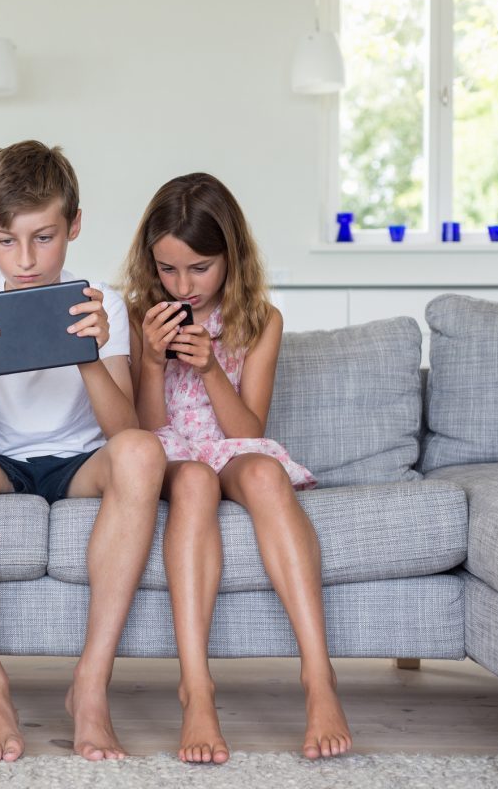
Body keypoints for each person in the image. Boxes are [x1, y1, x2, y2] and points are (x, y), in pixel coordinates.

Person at [0, 140, 167, 763]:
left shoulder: (101, 302)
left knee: (141, 453)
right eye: (7, 241)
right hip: (0, 463)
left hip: (80, 461)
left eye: (44, 237)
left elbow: (125, 430)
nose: (26, 260)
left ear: (74, 226)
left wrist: (86, 353)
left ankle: (90, 687)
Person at [121, 172, 351, 763]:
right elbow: (145, 430)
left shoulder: (260, 320)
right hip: (173, 452)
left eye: (199, 268)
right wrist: (151, 360)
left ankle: (319, 678)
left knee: (265, 474)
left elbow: (249, 432)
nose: (183, 285)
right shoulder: (139, 313)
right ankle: (197, 689)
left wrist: (209, 369)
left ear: (231, 257)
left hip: (229, 445)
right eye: (168, 269)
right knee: (193, 481)